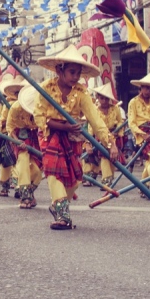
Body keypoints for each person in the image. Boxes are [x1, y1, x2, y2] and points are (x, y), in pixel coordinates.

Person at [34, 45, 118, 230]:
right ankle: (63, 216)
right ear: (59, 70)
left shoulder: (81, 93)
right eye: (72, 72)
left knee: (75, 179)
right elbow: (39, 117)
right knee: (54, 173)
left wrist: (110, 143)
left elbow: (95, 120)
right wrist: (61, 125)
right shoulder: (46, 88)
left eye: (78, 73)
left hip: (72, 138)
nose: (75, 77)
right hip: (51, 135)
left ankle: (57, 204)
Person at [82, 83, 124, 191]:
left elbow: (120, 121)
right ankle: (106, 180)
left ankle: (109, 177)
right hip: (100, 137)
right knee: (104, 156)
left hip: (113, 136)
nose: (104, 101)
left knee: (113, 158)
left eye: (106, 98)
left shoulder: (115, 109)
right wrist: (89, 142)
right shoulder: (94, 110)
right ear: (98, 98)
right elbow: (92, 126)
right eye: (101, 98)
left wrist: (118, 130)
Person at [7, 84, 43, 209]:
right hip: (20, 138)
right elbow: (10, 128)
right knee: (23, 164)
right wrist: (17, 141)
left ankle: (30, 193)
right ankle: (25, 196)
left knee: (37, 170)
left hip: (36, 139)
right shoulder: (16, 107)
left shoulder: (42, 108)